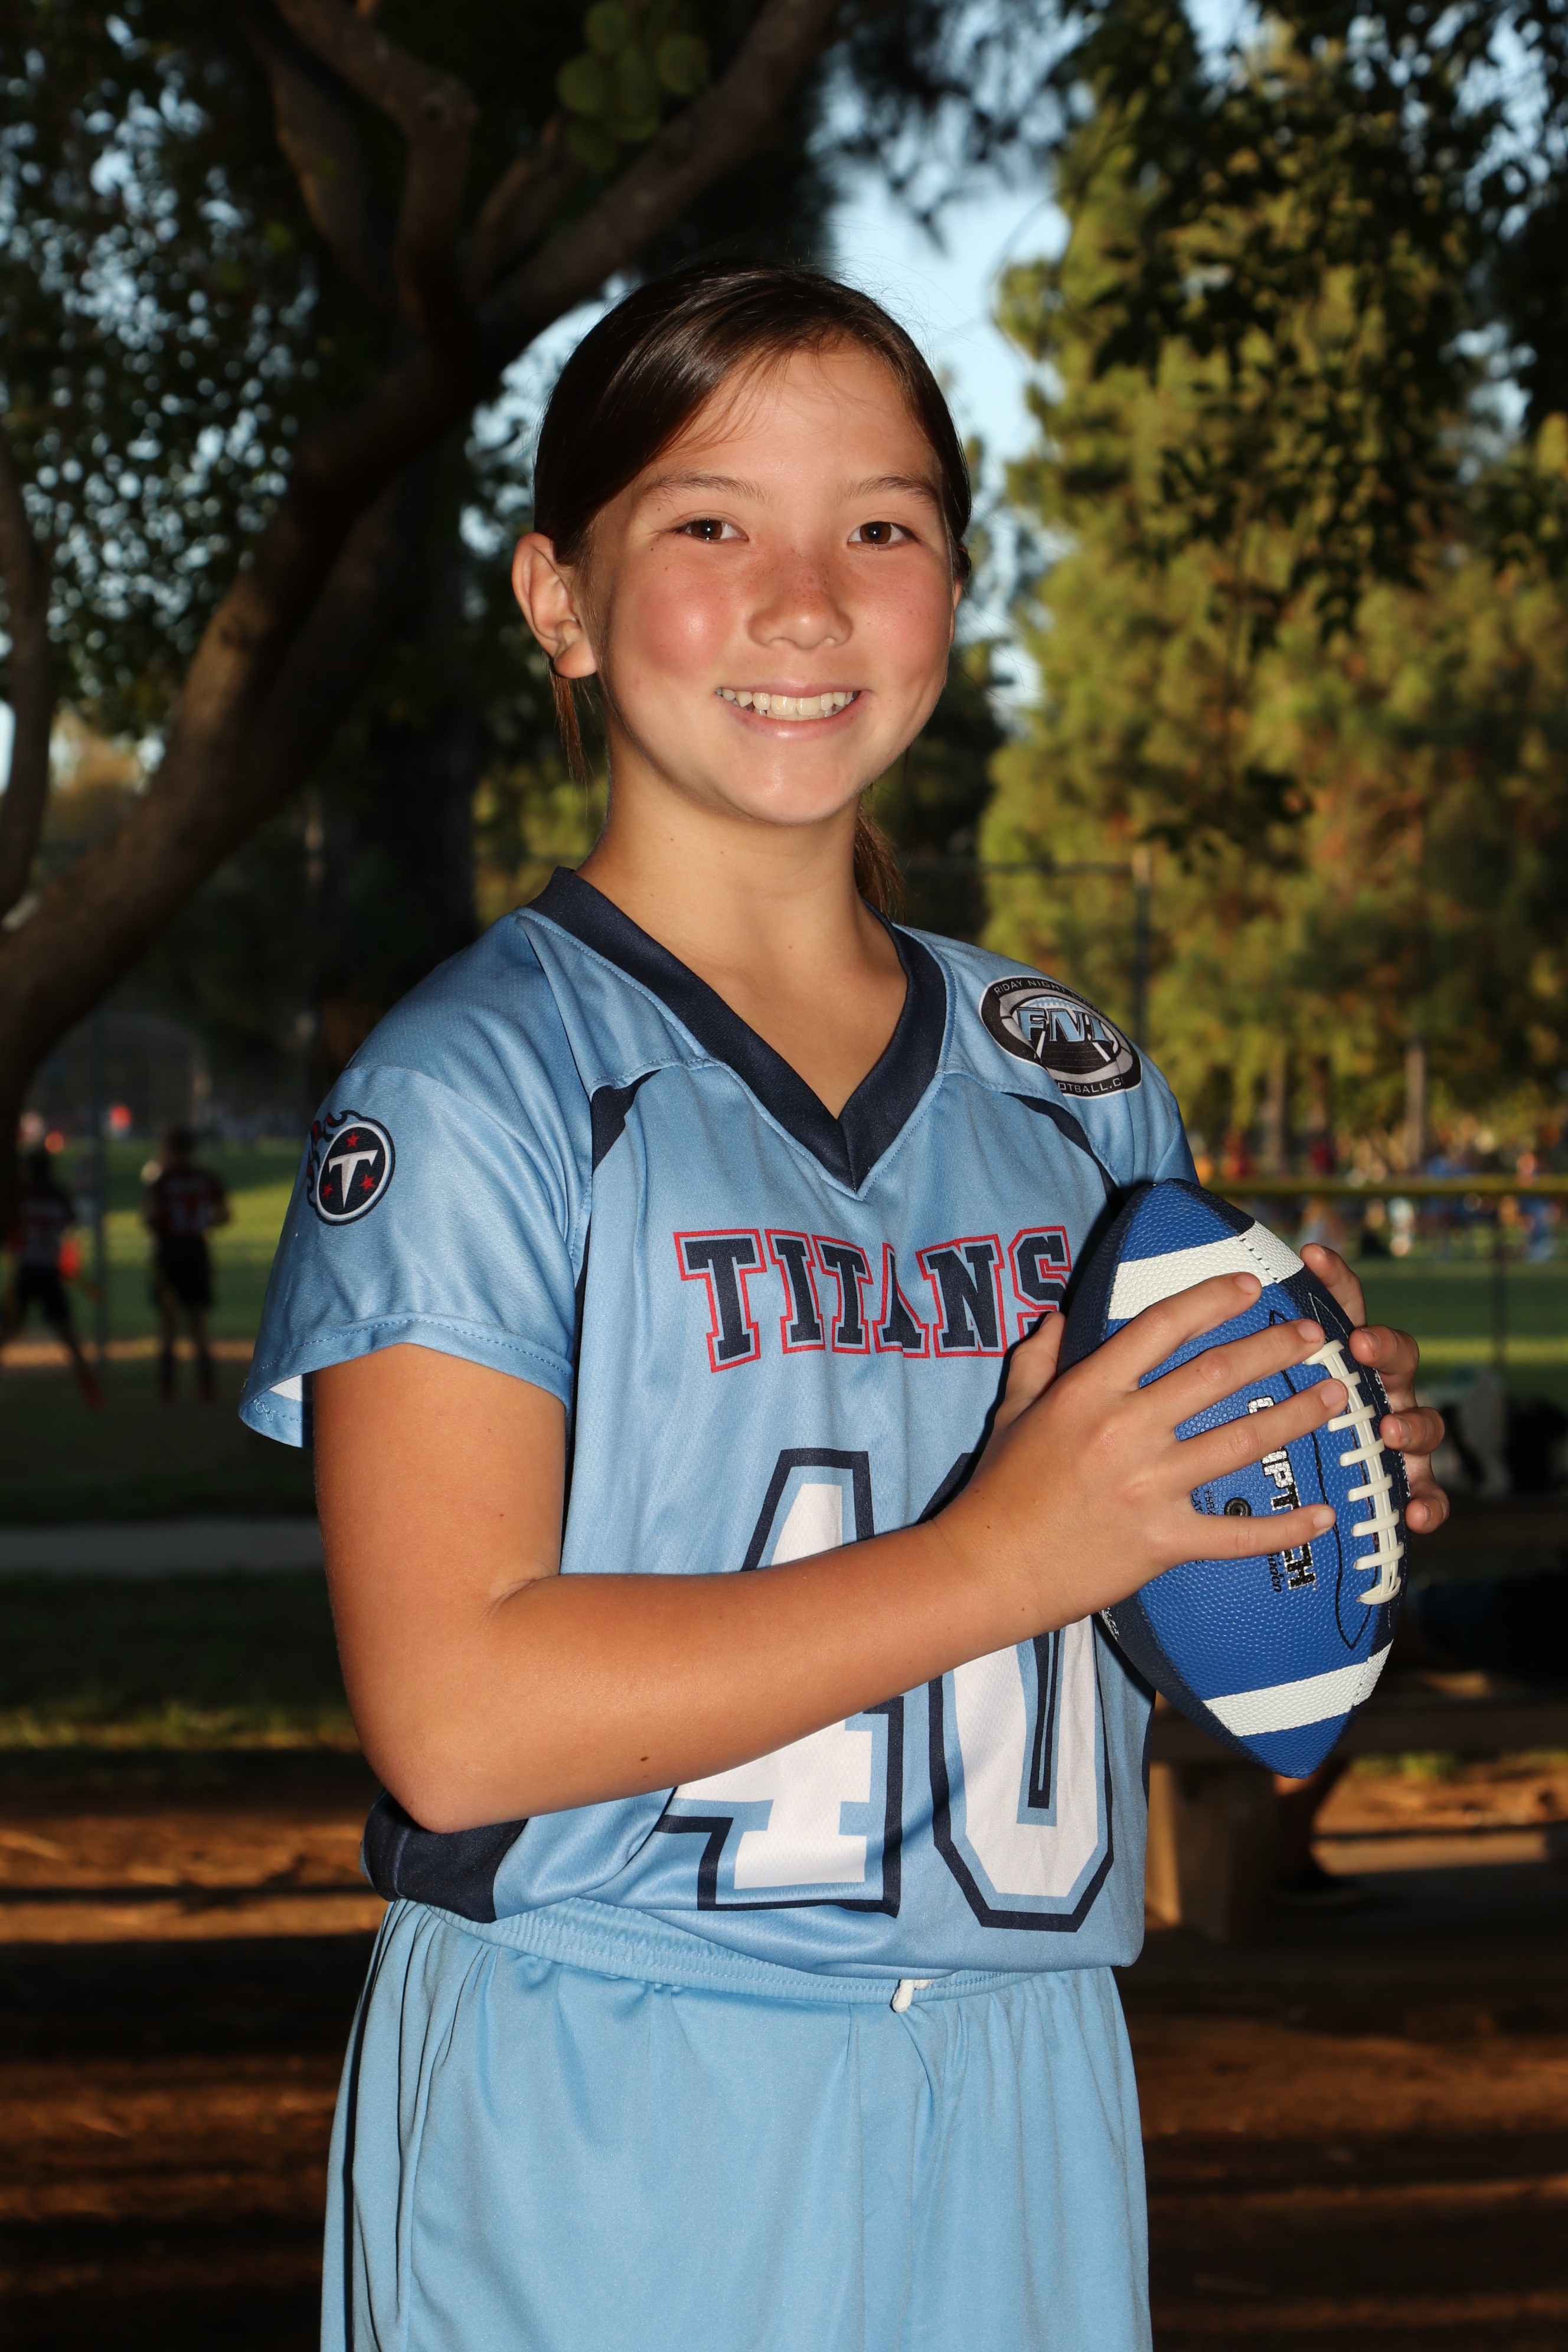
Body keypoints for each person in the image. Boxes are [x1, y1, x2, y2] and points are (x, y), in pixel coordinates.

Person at [239, 264, 1448, 2352]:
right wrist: (1008, 1547)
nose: (803, 600)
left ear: (954, 585)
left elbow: (1093, 1642)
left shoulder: (1075, 1089)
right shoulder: (480, 1083)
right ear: (557, 596)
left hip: (1020, 2078)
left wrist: (1272, 1500)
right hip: (614, 2093)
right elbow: (454, 1715)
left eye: (880, 526)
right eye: (711, 522)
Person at [3, 1145, 104, 1410]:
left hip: (27, 1272)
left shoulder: (21, 1198)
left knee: (5, 1330)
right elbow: (70, 1224)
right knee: (69, 1336)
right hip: (49, 1272)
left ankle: (92, 1392)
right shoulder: (59, 1199)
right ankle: (91, 1393)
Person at [143, 1126, 230, 1402]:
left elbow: (150, 1217)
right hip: (196, 1252)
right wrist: (205, 1222)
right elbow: (224, 1215)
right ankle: (206, 1386)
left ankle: (166, 1388)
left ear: (169, 1149)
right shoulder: (205, 1178)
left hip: (170, 1253)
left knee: (168, 1322)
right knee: (198, 1321)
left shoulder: (163, 1180)